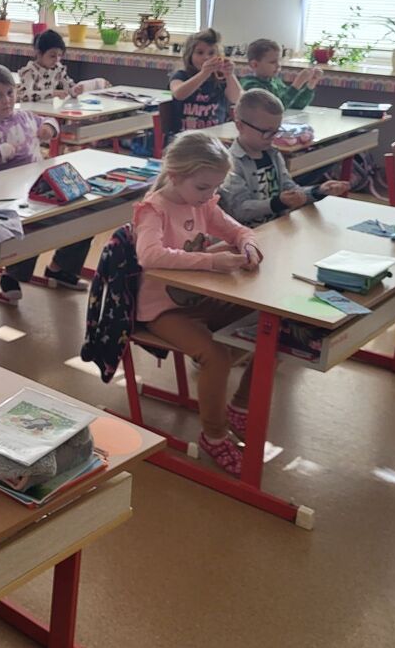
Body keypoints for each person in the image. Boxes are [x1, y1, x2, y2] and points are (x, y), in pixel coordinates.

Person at [134, 131, 264, 475]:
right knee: (215, 355)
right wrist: (212, 262)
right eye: (204, 187)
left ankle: (240, 406)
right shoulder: (154, 209)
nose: (210, 195)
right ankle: (214, 435)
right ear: (175, 176)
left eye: (216, 187)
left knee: (269, 325)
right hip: (161, 309)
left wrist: (249, 246)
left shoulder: (202, 201)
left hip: (197, 298)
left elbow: (241, 231)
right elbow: (149, 256)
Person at [0, 65, 91, 297]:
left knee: (83, 213)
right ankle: (13, 275)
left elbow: (50, 121)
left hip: (38, 185)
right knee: (32, 225)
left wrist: (48, 128)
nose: (6, 100)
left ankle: (61, 268)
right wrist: (3, 151)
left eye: (10, 93)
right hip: (8, 193)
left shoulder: (24, 116)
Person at [219, 89, 348, 226]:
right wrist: (277, 203)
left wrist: (318, 191)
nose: (273, 137)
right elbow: (239, 210)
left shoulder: (273, 154)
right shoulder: (231, 163)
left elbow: (290, 189)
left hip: (278, 228)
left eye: (277, 131)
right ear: (240, 126)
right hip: (248, 234)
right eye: (267, 131)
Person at [168, 28, 242, 137]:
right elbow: (179, 94)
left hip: (215, 137)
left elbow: (237, 98)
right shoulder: (181, 75)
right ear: (190, 55)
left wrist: (229, 74)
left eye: (211, 53)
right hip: (185, 138)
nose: (206, 57)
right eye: (200, 53)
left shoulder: (220, 78)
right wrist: (204, 74)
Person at [16, 30, 104, 103]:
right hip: (31, 113)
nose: (57, 59)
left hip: (49, 111)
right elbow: (24, 95)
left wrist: (75, 90)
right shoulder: (30, 71)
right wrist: (53, 93)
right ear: (39, 53)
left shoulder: (58, 69)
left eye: (59, 55)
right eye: (52, 56)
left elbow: (68, 87)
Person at [241, 38, 322, 111]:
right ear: (254, 65)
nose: (278, 65)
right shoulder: (250, 85)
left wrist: (311, 85)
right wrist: (297, 84)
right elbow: (275, 109)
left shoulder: (275, 81)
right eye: (273, 62)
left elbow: (296, 105)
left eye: (279, 61)